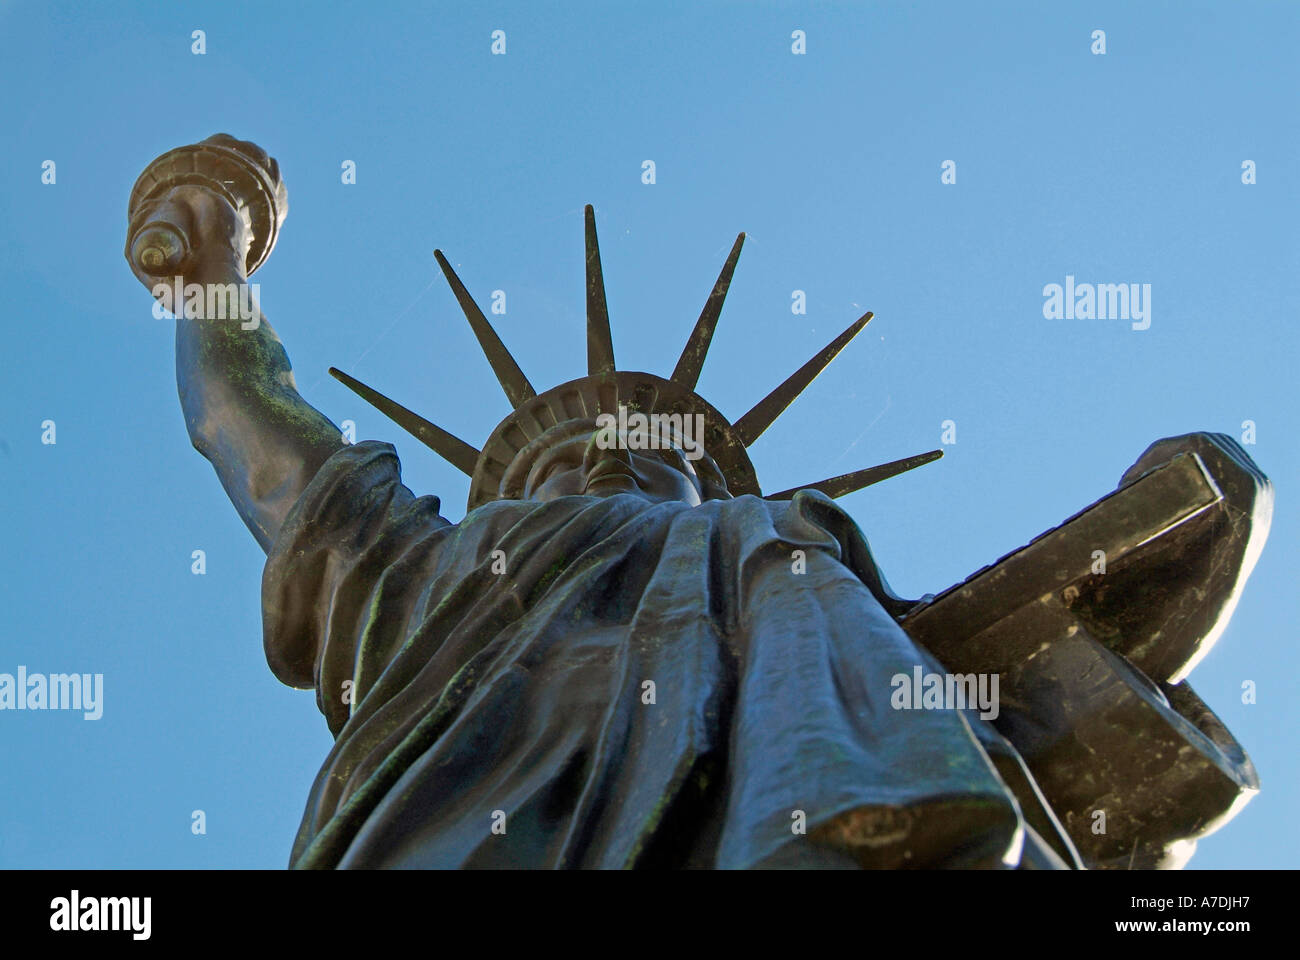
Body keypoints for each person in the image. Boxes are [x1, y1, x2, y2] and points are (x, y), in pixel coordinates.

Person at [127, 163, 1080, 869]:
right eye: (559, 461)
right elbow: (249, 439)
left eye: (656, 456)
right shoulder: (421, 574)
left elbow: (976, 688)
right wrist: (214, 268)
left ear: (711, 493)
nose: (605, 455)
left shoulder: (777, 561)